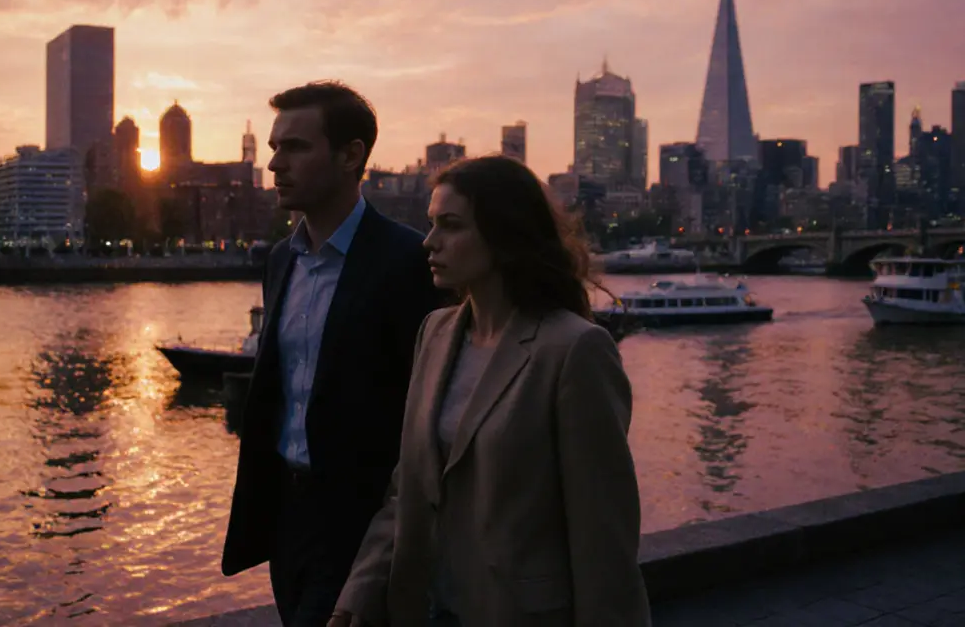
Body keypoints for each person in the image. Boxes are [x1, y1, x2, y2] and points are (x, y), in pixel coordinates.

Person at [330, 156, 651, 626]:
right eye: (431, 224)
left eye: (451, 226)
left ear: (504, 236)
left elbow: (603, 536)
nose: (430, 242)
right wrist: (357, 595)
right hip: (425, 610)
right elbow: (409, 491)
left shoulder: (573, 350)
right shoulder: (435, 334)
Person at [221, 81, 441, 627]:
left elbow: (426, 411)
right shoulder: (281, 260)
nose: (275, 164)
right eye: (274, 148)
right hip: (287, 520)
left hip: (364, 523)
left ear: (351, 155)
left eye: (295, 147)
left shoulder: (408, 261)